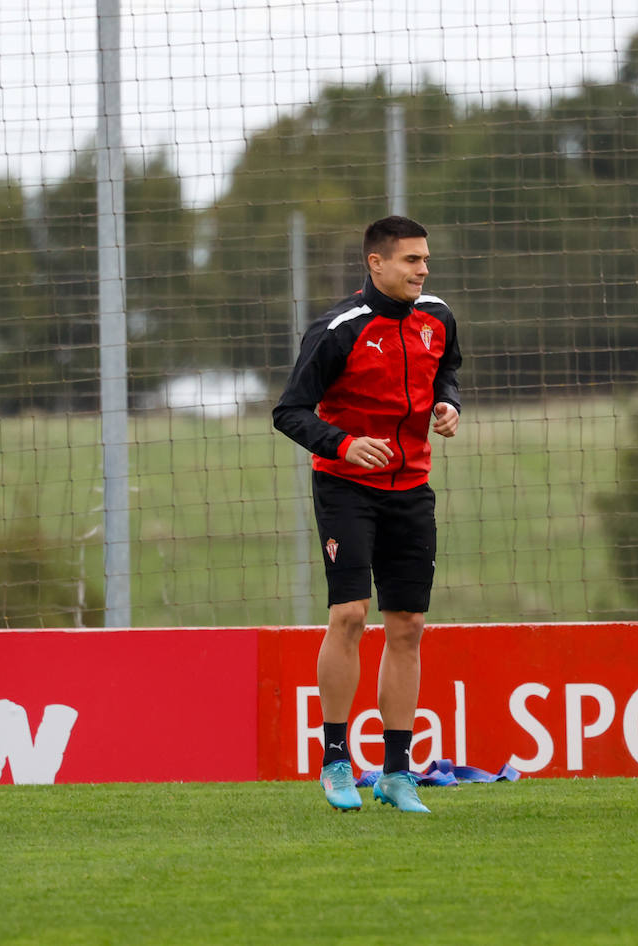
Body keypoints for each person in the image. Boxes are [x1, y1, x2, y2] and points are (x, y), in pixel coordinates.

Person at [273, 215, 462, 814]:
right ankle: (336, 762)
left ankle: (397, 774)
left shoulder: (438, 318)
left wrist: (448, 404)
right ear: (376, 263)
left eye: (425, 259)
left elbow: (446, 371)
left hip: (412, 488)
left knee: (407, 625)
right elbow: (289, 411)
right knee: (349, 614)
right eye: (411, 260)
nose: (423, 269)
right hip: (346, 488)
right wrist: (343, 444)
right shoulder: (338, 329)